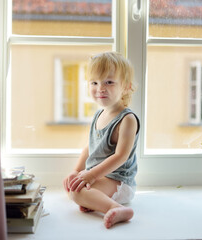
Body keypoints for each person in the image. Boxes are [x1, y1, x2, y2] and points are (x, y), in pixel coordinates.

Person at [63, 51, 140, 229]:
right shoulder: (99, 114)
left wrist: (91, 175)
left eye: (109, 82)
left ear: (126, 87)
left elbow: (121, 156)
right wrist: (77, 171)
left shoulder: (127, 119)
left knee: (76, 193)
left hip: (119, 182)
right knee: (71, 186)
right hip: (102, 178)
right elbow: (89, 149)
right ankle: (95, 201)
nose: (101, 88)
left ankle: (116, 208)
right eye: (94, 82)